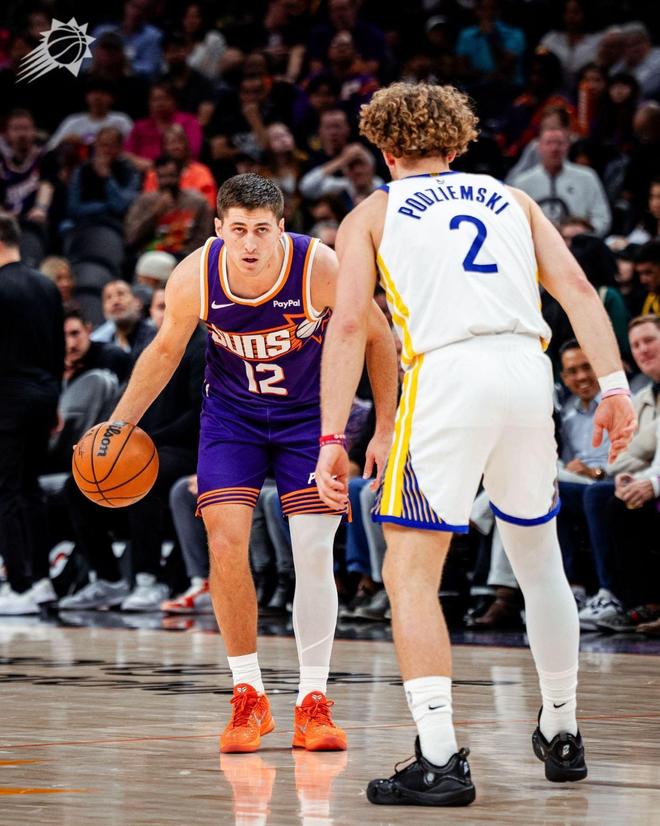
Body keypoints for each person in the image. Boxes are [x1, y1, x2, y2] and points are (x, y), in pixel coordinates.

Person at [315, 82, 636, 807]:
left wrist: (333, 434)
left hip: (448, 375)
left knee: (409, 568)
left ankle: (438, 756)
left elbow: (350, 326)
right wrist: (614, 385)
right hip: (526, 369)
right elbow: (580, 289)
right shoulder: (512, 198)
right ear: (458, 143)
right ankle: (562, 730)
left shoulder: (372, 212)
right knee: (539, 559)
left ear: (384, 148)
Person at [104, 174, 396, 751]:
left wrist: (384, 428)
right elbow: (164, 351)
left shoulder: (319, 267)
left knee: (312, 549)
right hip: (231, 419)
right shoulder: (196, 274)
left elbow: (378, 338)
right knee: (224, 541)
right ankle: (248, 695)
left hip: (308, 419)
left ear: (281, 228)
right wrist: (119, 425)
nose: (250, 243)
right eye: (238, 230)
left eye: (262, 230)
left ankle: (313, 701)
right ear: (219, 229)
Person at [0, 213, 63, 615]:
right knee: (30, 490)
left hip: (8, 400)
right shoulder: (45, 284)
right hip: (43, 397)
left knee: (6, 492)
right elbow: (58, 349)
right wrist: (55, 400)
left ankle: (19, 584)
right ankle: (41, 581)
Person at [510, 122, 611, 236]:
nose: (554, 148)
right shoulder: (522, 183)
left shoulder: (587, 177)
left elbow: (602, 217)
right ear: (539, 147)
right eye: (549, 143)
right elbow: (514, 222)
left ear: (568, 146)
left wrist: (584, 234)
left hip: (580, 242)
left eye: (559, 143)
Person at [125, 155, 213, 259]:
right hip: (150, 256)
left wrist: (185, 258)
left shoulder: (197, 202)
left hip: (184, 257)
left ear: (180, 175)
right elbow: (131, 238)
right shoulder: (144, 202)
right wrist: (154, 213)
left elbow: (203, 239)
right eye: (162, 177)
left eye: (171, 176)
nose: (167, 181)